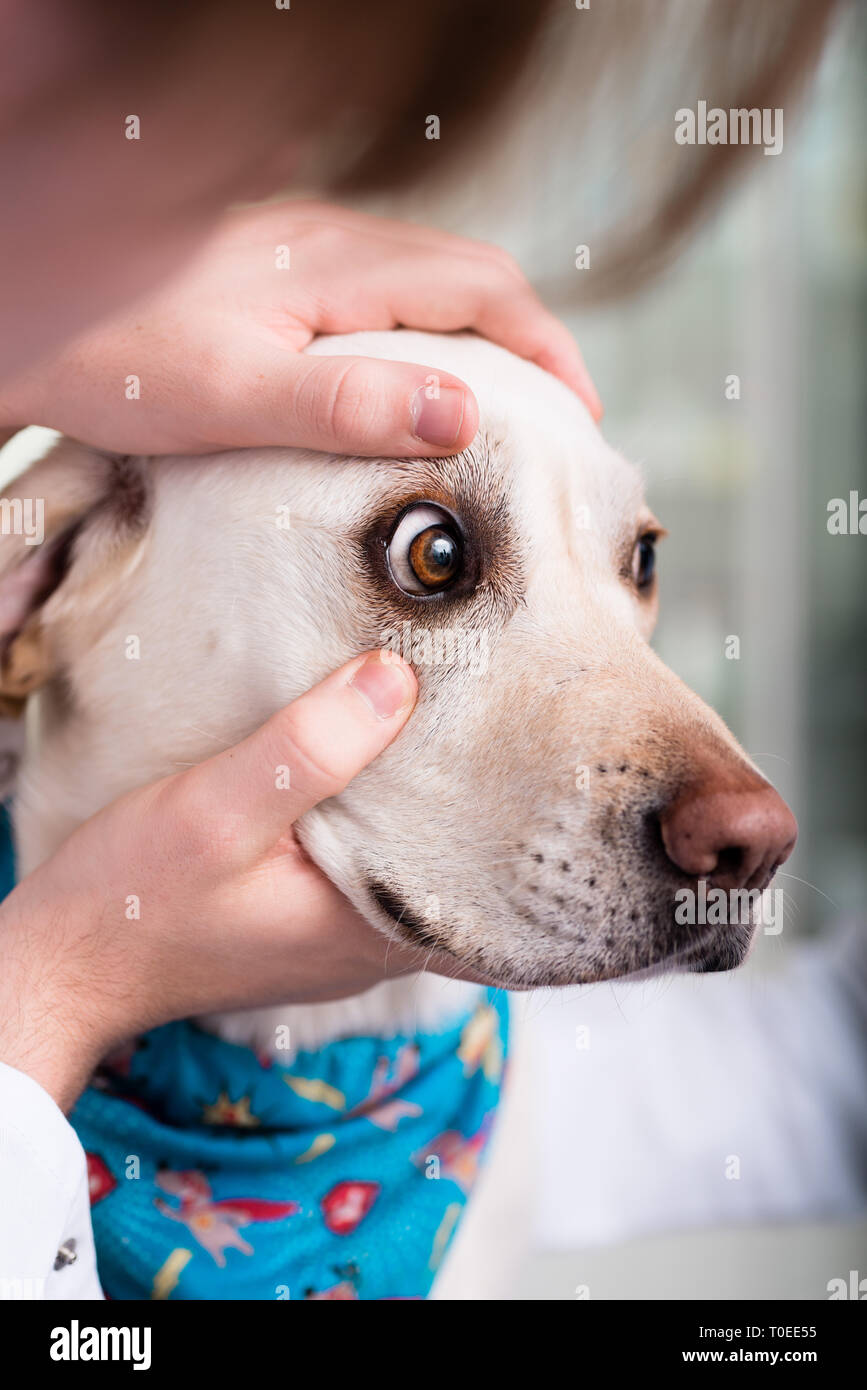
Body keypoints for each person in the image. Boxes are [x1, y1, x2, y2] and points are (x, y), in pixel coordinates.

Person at [0, 0, 833, 1298]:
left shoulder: (502, 1109)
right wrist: (57, 984)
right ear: (55, 586)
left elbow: (814, 1070)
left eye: (635, 564)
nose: (726, 805)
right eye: (432, 558)